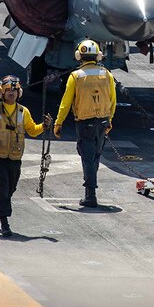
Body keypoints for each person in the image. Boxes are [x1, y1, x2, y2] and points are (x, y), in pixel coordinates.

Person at [0, 75, 51, 236]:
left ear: (19, 93)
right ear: (2, 92)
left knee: (11, 188)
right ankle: (5, 223)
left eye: (14, 91)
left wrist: (44, 126)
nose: (11, 93)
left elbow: (32, 130)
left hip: (15, 158)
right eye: (8, 90)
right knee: (1, 187)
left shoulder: (24, 112)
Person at [53, 39, 117, 208]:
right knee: (95, 155)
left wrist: (58, 123)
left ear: (78, 56)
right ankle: (91, 191)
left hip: (85, 123)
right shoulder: (107, 74)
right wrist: (109, 119)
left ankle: (90, 195)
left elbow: (65, 103)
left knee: (87, 158)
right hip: (102, 121)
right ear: (98, 56)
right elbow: (112, 100)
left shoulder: (76, 76)